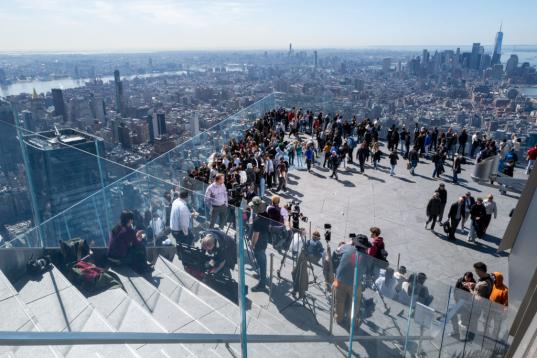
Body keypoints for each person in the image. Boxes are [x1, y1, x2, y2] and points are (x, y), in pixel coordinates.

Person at [333, 234, 371, 325]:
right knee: (355, 303)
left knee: (339, 300)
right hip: (355, 284)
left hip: (339, 280)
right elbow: (369, 269)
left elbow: (336, 251)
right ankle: (352, 321)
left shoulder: (347, 247)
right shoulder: (367, 257)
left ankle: (339, 318)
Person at [249, 197, 270, 292]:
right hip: (264, 240)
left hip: (258, 244)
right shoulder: (266, 214)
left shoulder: (257, 220)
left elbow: (255, 235)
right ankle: (260, 274)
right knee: (260, 261)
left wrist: (252, 244)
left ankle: (262, 284)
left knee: (262, 263)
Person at [450, 272, 476, 339]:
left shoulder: (473, 283)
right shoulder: (460, 280)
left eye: (468, 279)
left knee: (465, 320)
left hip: (467, 305)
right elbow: (455, 291)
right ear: (464, 276)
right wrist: (457, 301)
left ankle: (466, 334)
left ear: (471, 278)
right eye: (466, 278)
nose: (467, 280)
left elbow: (473, 295)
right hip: (459, 302)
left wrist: (468, 287)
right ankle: (456, 330)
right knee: (452, 313)